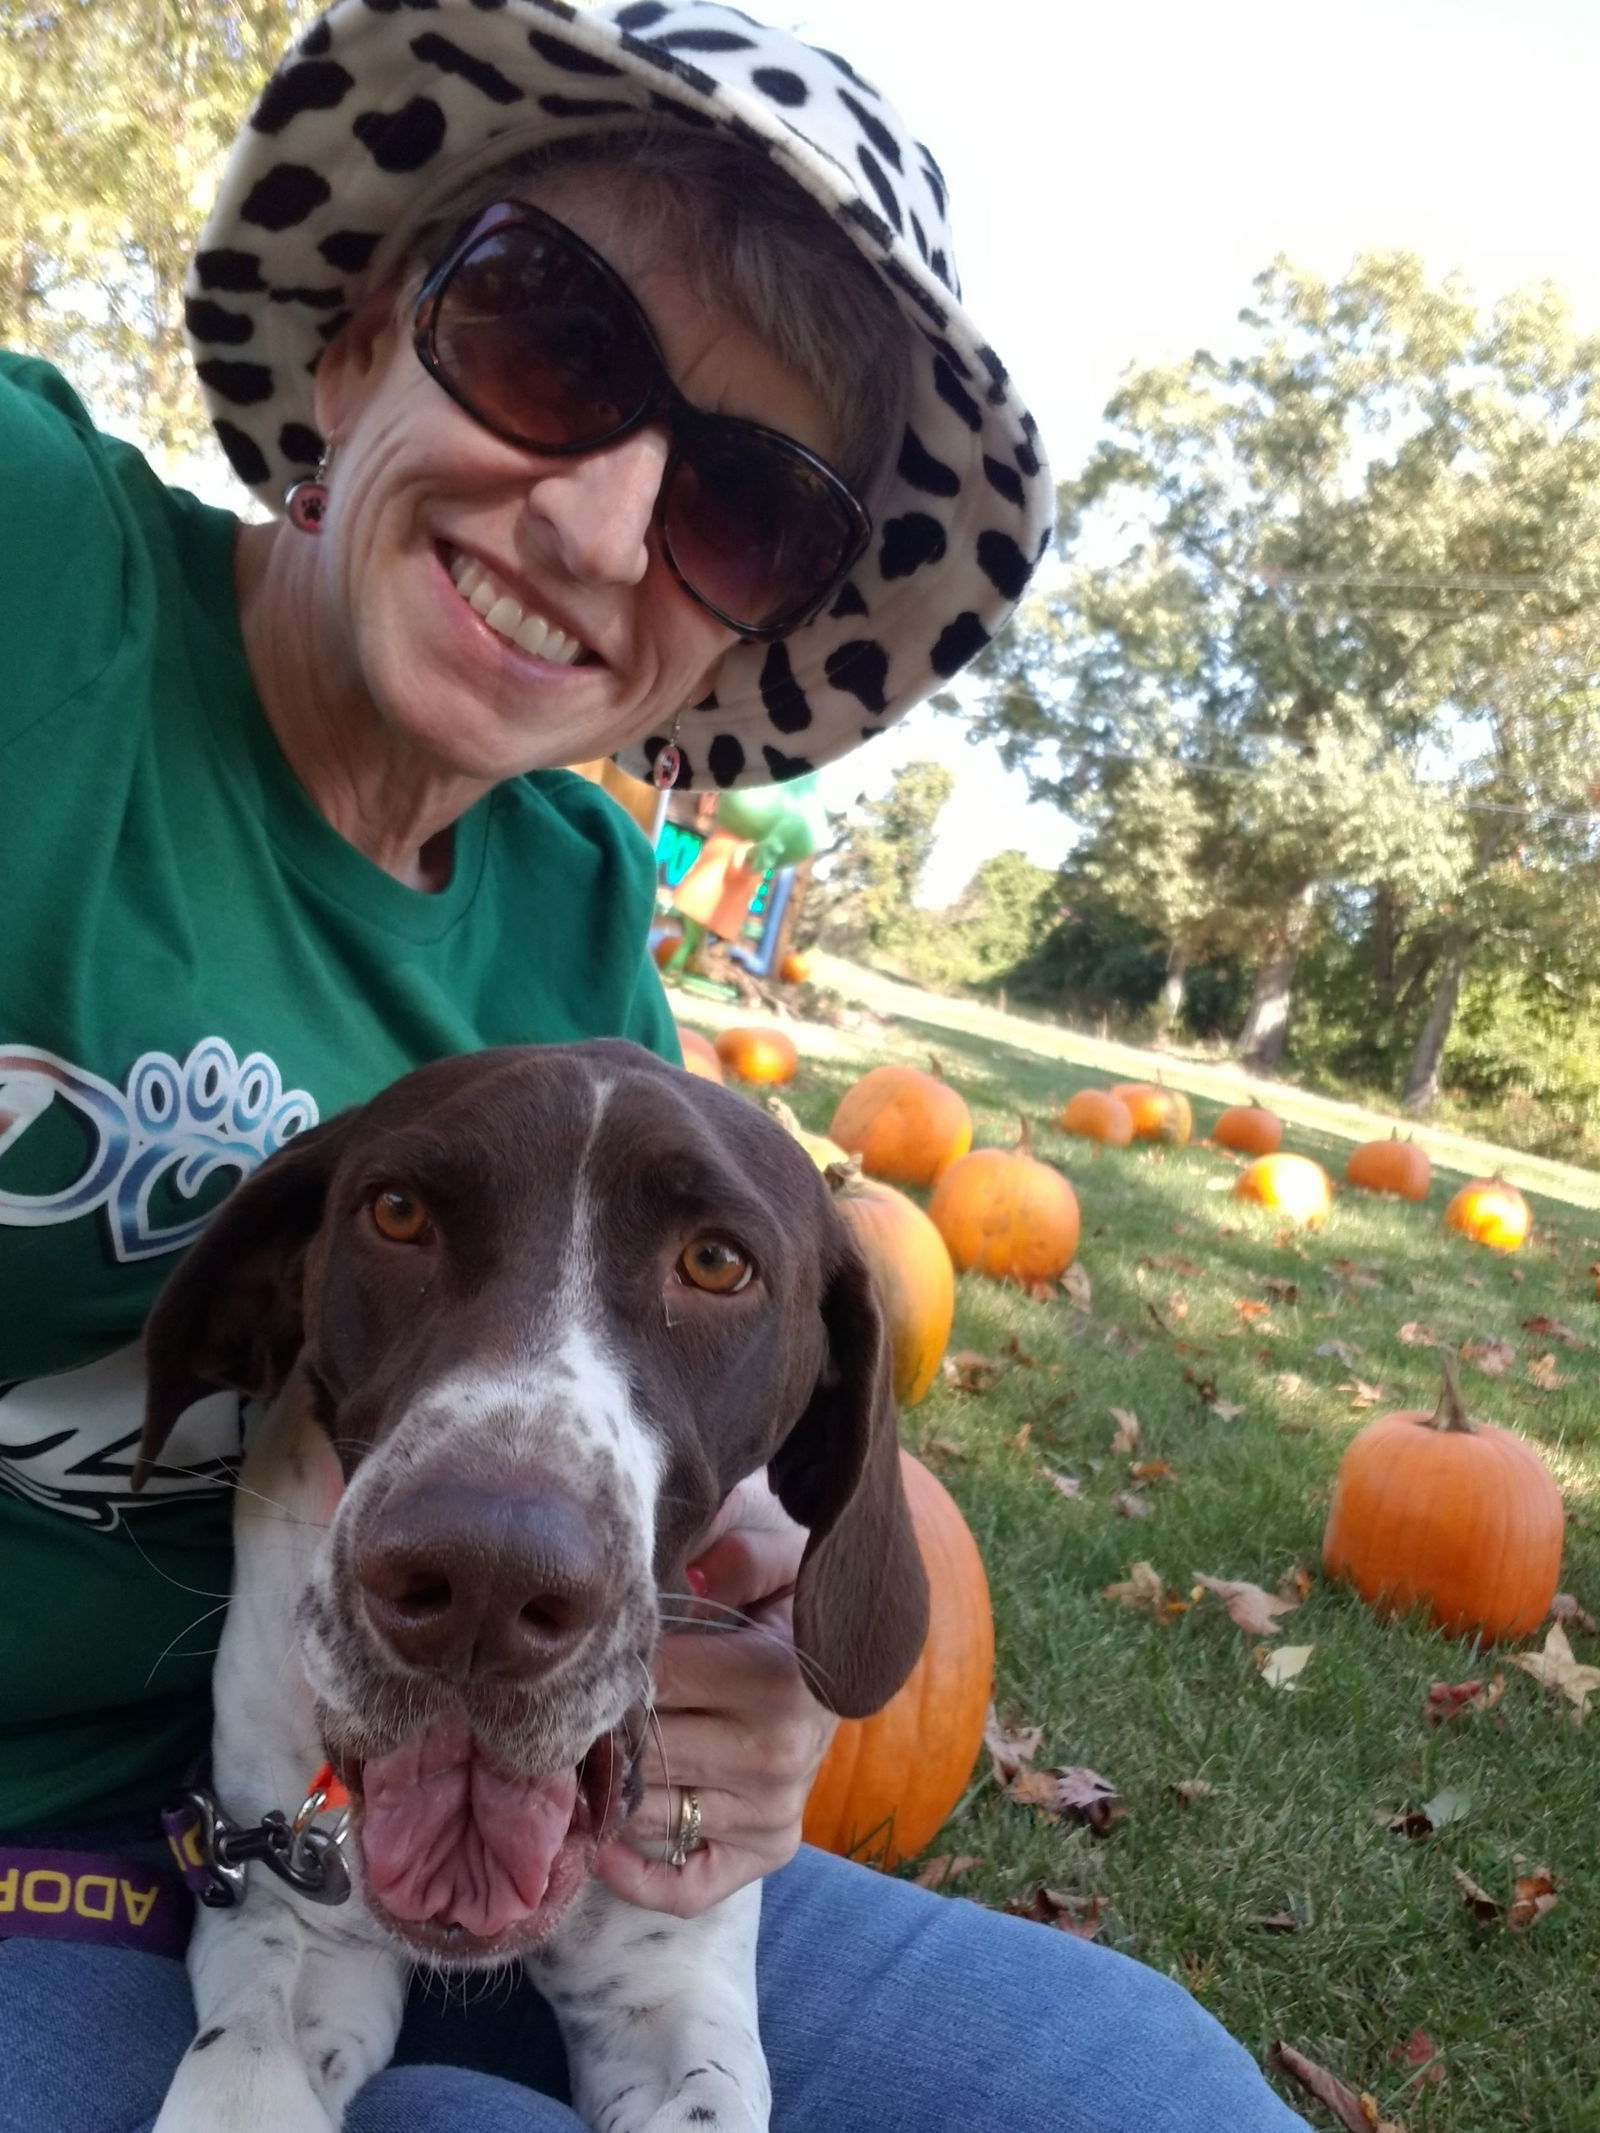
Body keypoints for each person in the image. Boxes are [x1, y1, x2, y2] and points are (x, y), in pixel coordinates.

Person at [0, 2, 1308, 2127]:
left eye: (741, 507)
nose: (599, 525)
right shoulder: (31, 568)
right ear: (353, 337)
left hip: (448, 1780)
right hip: (71, 1856)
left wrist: (763, 1662)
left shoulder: (578, 917)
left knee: (1133, 2082)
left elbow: (685, 1348)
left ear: (745, 628)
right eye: (542, 338)